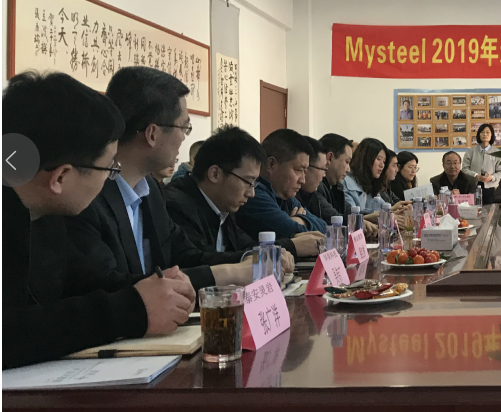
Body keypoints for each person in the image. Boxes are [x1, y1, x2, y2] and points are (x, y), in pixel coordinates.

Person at [3, 72, 195, 370]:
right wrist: (132, 309)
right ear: (61, 177)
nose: (111, 179)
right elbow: (11, 333)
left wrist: (158, 288)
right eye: (109, 168)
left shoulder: (44, 213)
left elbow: (84, 281)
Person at [66, 67, 253, 295]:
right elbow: (106, 286)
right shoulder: (87, 194)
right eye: (184, 127)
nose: (184, 138)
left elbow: (185, 256)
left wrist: (249, 260)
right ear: (152, 134)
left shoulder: (151, 190)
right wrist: (231, 273)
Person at [165, 127, 303, 270]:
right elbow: (196, 260)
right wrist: (259, 257)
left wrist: (280, 250)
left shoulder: (223, 205)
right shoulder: (175, 205)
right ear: (215, 174)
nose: (251, 193)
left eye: (254, 184)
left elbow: (246, 246)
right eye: (248, 182)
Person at [235, 128, 327, 256]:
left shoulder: (285, 195)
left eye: (305, 171)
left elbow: (324, 227)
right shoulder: (254, 195)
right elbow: (293, 231)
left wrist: (299, 219)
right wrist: (295, 223)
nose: (303, 180)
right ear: (271, 164)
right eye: (298, 170)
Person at [342, 138, 390, 220]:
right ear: (365, 158)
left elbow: (384, 209)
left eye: (384, 161)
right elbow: (352, 218)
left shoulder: (370, 184)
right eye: (378, 159)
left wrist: (394, 211)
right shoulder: (346, 183)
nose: (382, 165)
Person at [461, 123, 501, 204]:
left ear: (492, 135)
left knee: (490, 209)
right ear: (478, 135)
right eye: (482, 132)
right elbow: (464, 169)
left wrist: (492, 177)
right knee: (473, 209)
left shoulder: (497, 153)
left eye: (488, 132)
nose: (485, 134)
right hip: (472, 187)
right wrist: (476, 175)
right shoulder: (470, 151)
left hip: (490, 187)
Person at [319, 133, 353, 217]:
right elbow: (334, 218)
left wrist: (370, 217)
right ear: (329, 158)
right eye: (347, 162)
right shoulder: (315, 186)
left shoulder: (336, 187)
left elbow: (350, 213)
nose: (348, 170)